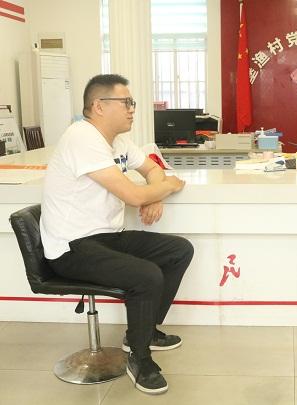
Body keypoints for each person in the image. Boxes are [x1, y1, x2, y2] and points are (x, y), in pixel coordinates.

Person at [40, 74, 194, 395]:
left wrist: (154, 193)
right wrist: (160, 190)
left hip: (107, 237)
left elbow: (153, 170)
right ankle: (140, 358)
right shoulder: (82, 137)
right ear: (98, 106)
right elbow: (135, 195)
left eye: (131, 102)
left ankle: (144, 330)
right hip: (71, 246)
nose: (132, 109)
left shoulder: (119, 141)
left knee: (178, 250)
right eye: (126, 102)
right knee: (146, 275)